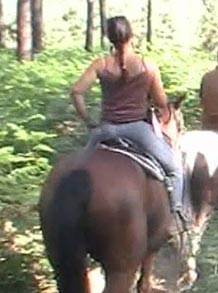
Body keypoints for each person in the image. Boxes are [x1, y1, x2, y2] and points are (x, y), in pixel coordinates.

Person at [69, 16, 183, 214]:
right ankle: (177, 214)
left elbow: (76, 92)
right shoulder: (148, 66)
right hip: (138, 130)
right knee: (174, 168)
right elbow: (161, 103)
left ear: (109, 38)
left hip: (104, 130)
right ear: (132, 36)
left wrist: (89, 120)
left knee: (76, 171)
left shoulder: (100, 65)